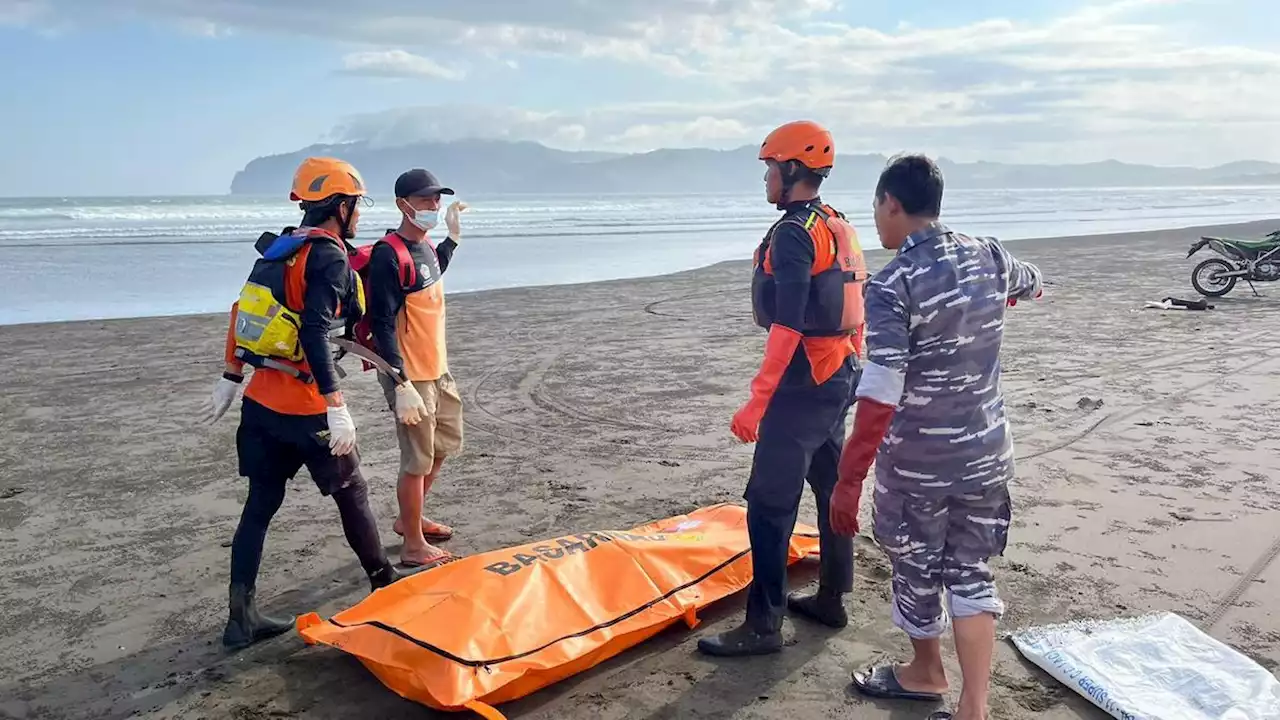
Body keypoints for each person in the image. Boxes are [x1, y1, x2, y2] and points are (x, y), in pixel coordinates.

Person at [829, 153, 1043, 720]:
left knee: (917, 567)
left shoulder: (894, 283)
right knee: (970, 572)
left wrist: (848, 481)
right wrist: (1004, 299)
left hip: (919, 466)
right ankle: (975, 706)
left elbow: (879, 393)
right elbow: (1033, 282)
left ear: (891, 204)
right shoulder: (990, 255)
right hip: (987, 456)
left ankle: (926, 671)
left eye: (877, 209)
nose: (877, 223)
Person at [202, 156, 406, 652]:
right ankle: (384, 582)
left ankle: (241, 616)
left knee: (260, 506)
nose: (358, 212)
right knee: (352, 492)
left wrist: (232, 374)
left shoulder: (278, 248)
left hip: (260, 404)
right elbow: (315, 330)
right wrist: (336, 404)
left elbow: (242, 311)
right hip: (305, 405)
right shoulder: (329, 256)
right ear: (341, 205)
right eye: (356, 203)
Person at [697, 120, 869, 657]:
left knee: (770, 504)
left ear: (792, 169)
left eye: (770, 168)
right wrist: (852, 365)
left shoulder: (796, 233)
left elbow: (788, 325)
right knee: (830, 483)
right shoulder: (837, 224)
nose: (766, 179)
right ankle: (833, 598)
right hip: (839, 371)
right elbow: (853, 306)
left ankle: (763, 627)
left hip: (803, 383)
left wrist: (758, 399)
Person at [366, 169, 468, 568]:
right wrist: (400, 380)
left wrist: (453, 240)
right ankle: (412, 545)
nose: (434, 206)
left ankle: (410, 517)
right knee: (416, 460)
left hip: (438, 370)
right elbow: (380, 321)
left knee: (441, 448)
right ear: (403, 204)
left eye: (436, 200)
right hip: (410, 374)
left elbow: (432, 270)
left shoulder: (424, 248)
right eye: (426, 200)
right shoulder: (387, 254)